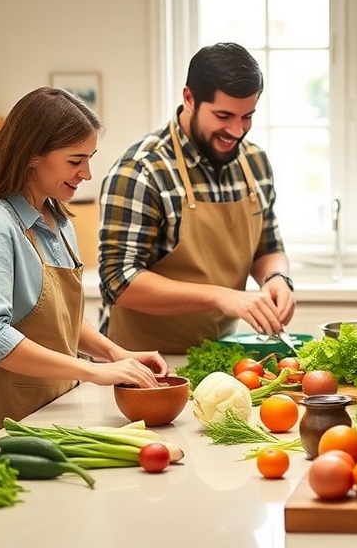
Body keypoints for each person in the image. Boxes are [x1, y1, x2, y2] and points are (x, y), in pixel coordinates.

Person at [0, 87, 168, 439]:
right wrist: (91, 371)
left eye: (90, 158)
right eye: (75, 160)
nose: (87, 173)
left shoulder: (56, 219)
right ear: (32, 155)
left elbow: (61, 319)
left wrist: (115, 353)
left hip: (46, 414)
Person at [98, 42, 294, 354]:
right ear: (189, 98)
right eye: (223, 115)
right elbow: (119, 281)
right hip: (140, 362)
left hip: (216, 355)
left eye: (247, 116)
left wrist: (276, 277)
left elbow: (268, 246)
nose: (237, 130)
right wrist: (219, 296)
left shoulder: (255, 162)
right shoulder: (142, 171)